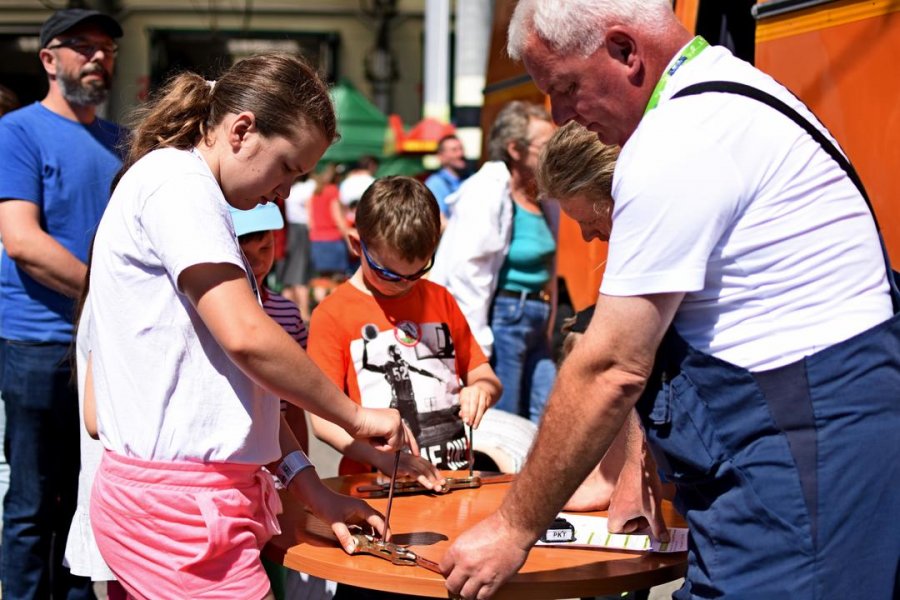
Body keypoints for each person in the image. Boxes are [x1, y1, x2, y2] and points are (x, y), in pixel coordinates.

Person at [441, 1, 900, 599]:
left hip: (794, 474)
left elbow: (611, 367)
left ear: (626, 52)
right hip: (793, 465)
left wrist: (511, 527)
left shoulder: (678, 139)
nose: (559, 114)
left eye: (566, 87)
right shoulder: (731, 98)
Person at [84, 53, 411, 599]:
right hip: (180, 517)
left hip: (189, 509)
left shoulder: (188, 189)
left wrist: (313, 491)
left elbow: (241, 391)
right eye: (287, 168)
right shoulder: (177, 184)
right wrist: (352, 415)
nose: (285, 193)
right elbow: (246, 337)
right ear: (241, 130)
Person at [0, 8, 124, 598]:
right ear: (48, 59)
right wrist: (106, 294)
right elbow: (23, 241)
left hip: (102, 348)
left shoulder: (120, 139)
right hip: (36, 341)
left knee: (86, 495)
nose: (99, 56)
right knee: (31, 501)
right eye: (83, 46)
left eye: (107, 47)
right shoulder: (17, 131)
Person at [308, 176, 502, 486]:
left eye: (419, 271)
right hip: (377, 488)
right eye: (389, 274)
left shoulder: (440, 298)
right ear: (357, 245)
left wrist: (480, 391)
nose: (406, 284)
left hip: (450, 479)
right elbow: (322, 421)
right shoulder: (331, 315)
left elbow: (485, 376)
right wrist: (379, 458)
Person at [432, 101, 558, 424]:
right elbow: (467, 272)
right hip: (505, 318)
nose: (553, 151)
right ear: (515, 149)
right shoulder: (487, 191)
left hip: (535, 318)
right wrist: (478, 348)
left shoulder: (541, 195)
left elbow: (550, 269)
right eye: (545, 145)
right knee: (507, 419)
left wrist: (549, 321)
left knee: (548, 413)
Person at [281, 174, 317, 320]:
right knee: (300, 275)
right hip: (301, 231)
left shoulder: (291, 189)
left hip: (288, 230)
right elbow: (311, 213)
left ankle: (288, 314)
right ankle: (304, 314)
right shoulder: (309, 187)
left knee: (289, 276)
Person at [424, 134, 467, 218]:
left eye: (461, 148)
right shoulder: (435, 184)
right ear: (441, 156)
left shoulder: (471, 179)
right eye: (454, 150)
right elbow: (438, 219)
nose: (460, 154)